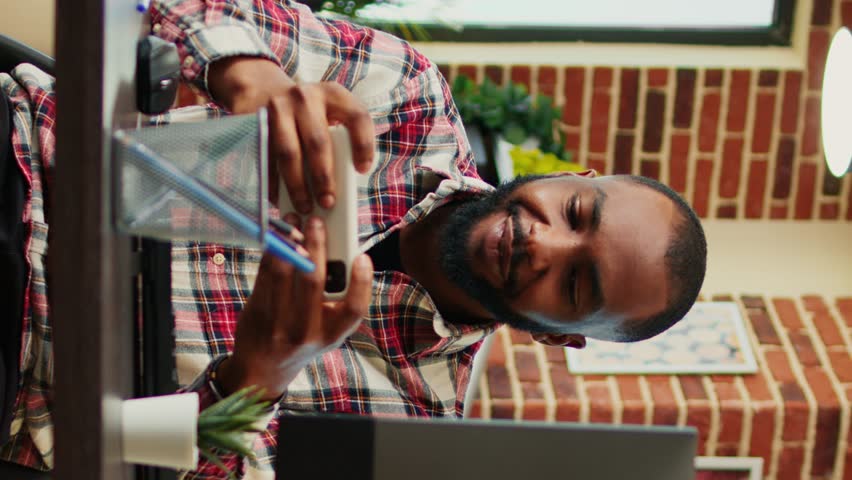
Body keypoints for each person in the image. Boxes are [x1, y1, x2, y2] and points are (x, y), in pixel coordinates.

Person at [0, 0, 707, 478]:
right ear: (571, 175)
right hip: (20, 151)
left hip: (20, 354)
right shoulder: (409, 100)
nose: (544, 244)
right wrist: (249, 75)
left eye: (575, 283)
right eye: (577, 211)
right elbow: (182, 7)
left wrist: (259, 373)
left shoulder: (408, 423)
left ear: (559, 337)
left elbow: (145, 470)